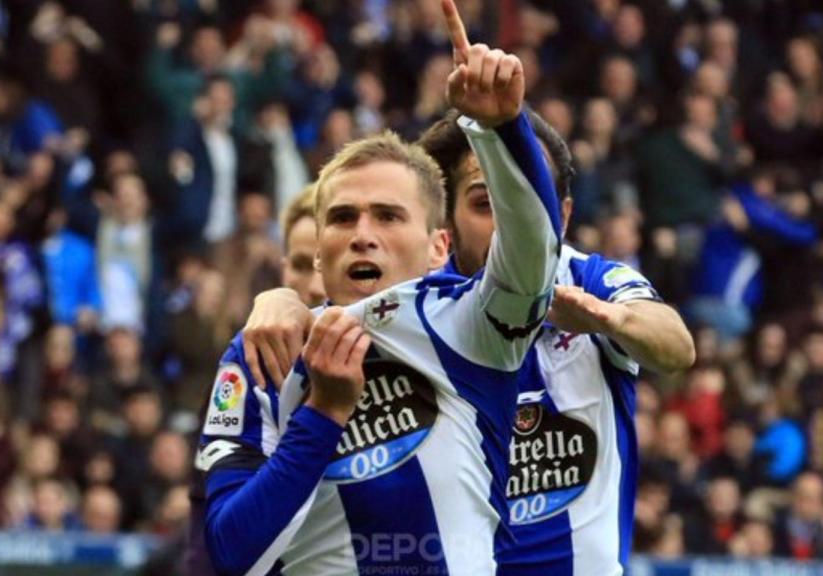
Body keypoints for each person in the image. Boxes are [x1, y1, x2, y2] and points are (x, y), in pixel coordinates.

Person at [241, 50, 694, 576]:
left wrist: (607, 320)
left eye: (522, 199)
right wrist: (282, 299)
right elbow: (339, 295)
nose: (506, 220)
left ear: (560, 214)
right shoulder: (424, 309)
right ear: (448, 220)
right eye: (484, 202)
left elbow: (676, 346)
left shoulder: (589, 280)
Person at [198, 2, 561, 573]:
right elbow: (233, 553)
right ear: (318, 253)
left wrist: (500, 130)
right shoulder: (264, 351)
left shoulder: (470, 325)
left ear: (439, 246)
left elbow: (536, 255)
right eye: (343, 219)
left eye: (388, 217)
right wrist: (322, 414)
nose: (363, 235)